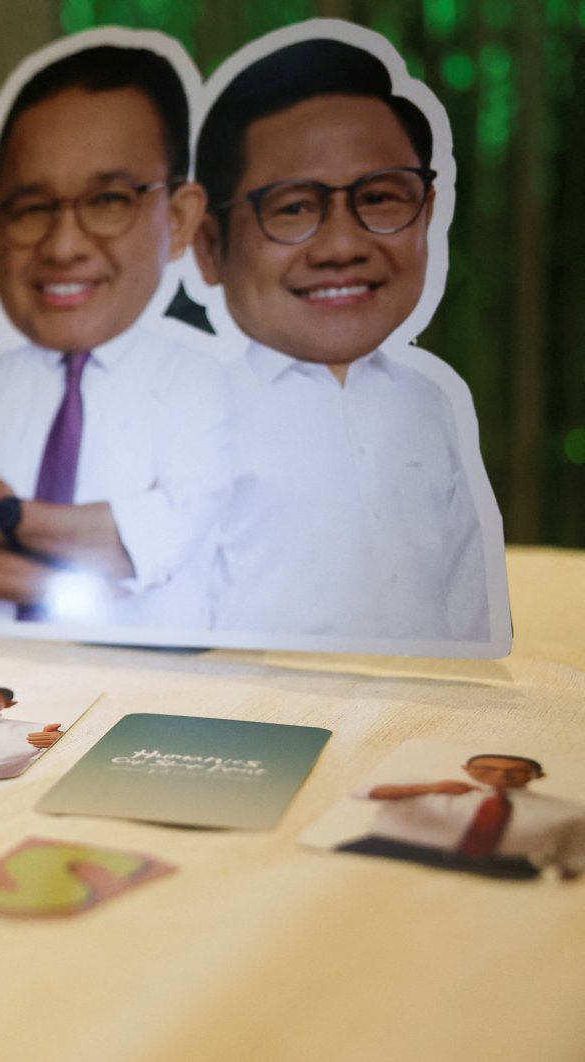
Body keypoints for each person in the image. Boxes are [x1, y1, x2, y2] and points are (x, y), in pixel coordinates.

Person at [193, 36, 496, 644]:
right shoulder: (187, 413)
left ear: (429, 213)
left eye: (381, 197)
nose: (341, 247)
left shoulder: (430, 403)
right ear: (209, 245)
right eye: (294, 208)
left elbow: (467, 608)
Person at [0, 38, 230, 629]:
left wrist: (10, 516)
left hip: (154, 698)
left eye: (108, 200)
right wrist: (85, 576)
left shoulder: (201, 383)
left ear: (180, 218)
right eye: (33, 208)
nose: (64, 246)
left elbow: (155, 546)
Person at [338, 754, 585, 880]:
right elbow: (364, 792)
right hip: (393, 851)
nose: (501, 775)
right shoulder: (425, 784)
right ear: (468, 770)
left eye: (516, 771)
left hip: (502, 868)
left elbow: (572, 860)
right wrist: (431, 788)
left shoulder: (565, 810)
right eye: (488, 768)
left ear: (537, 776)